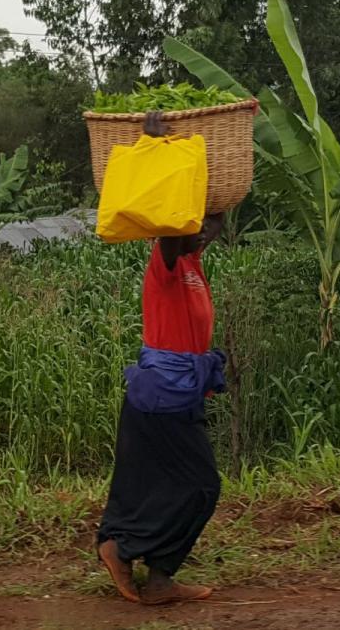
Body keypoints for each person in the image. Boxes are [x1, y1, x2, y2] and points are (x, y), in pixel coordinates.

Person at [96, 112, 226, 606]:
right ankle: (136, 557)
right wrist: (157, 147)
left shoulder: (192, 261)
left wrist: (200, 161)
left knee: (154, 484)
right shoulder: (166, 263)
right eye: (191, 228)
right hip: (162, 396)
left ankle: (149, 570)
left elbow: (214, 217)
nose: (203, 233)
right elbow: (175, 224)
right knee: (201, 486)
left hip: (173, 394)